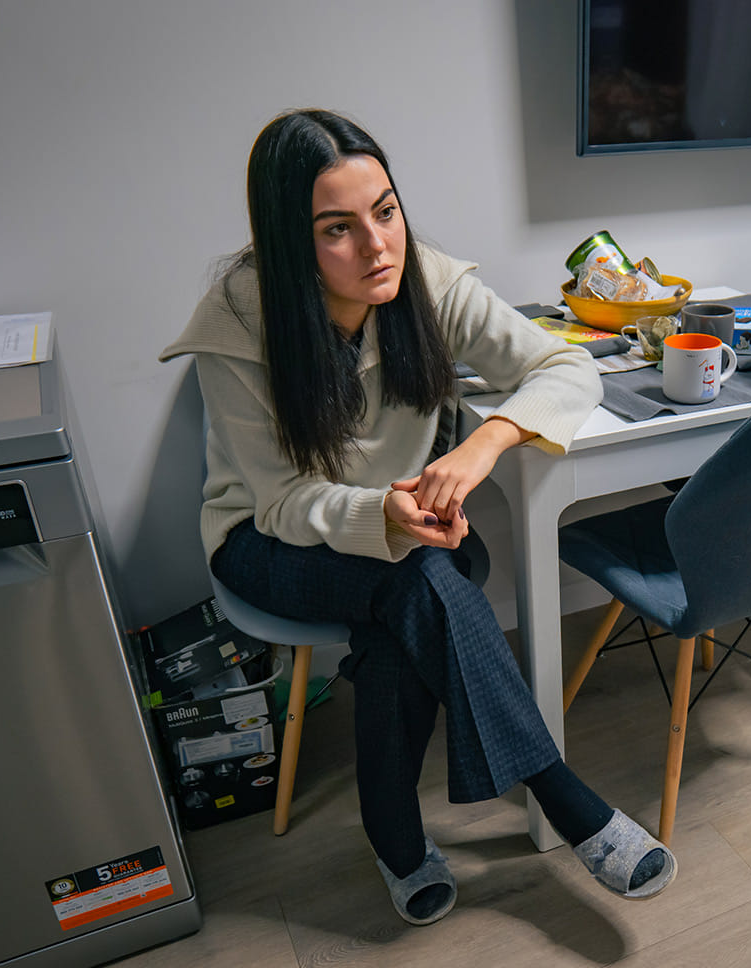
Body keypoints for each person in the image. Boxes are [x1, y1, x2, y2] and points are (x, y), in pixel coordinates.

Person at [160, 109, 675, 924]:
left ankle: (397, 843)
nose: (377, 246)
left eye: (386, 211)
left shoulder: (427, 281)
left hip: (407, 538)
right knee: (417, 583)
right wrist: (388, 518)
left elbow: (564, 364)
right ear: (291, 242)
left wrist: (486, 444)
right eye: (338, 229)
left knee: (401, 613)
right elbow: (284, 501)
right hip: (269, 539)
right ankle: (568, 802)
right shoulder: (237, 324)